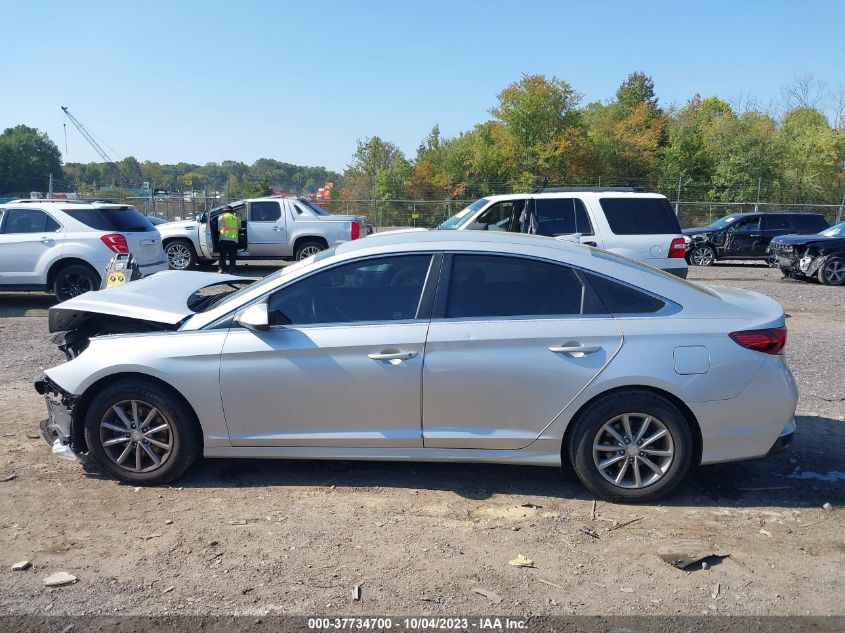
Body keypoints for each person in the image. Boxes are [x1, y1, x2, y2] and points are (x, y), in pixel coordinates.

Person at [217, 206, 240, 273]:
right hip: (233, 240)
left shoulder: (221, 218)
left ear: (224, 211)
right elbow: (239, 228)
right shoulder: (236, 218)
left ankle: (221, 269)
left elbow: (218, 229)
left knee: (222, 256)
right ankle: (231, 269)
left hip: (223, 239)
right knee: (232, 256)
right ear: (232, 211)